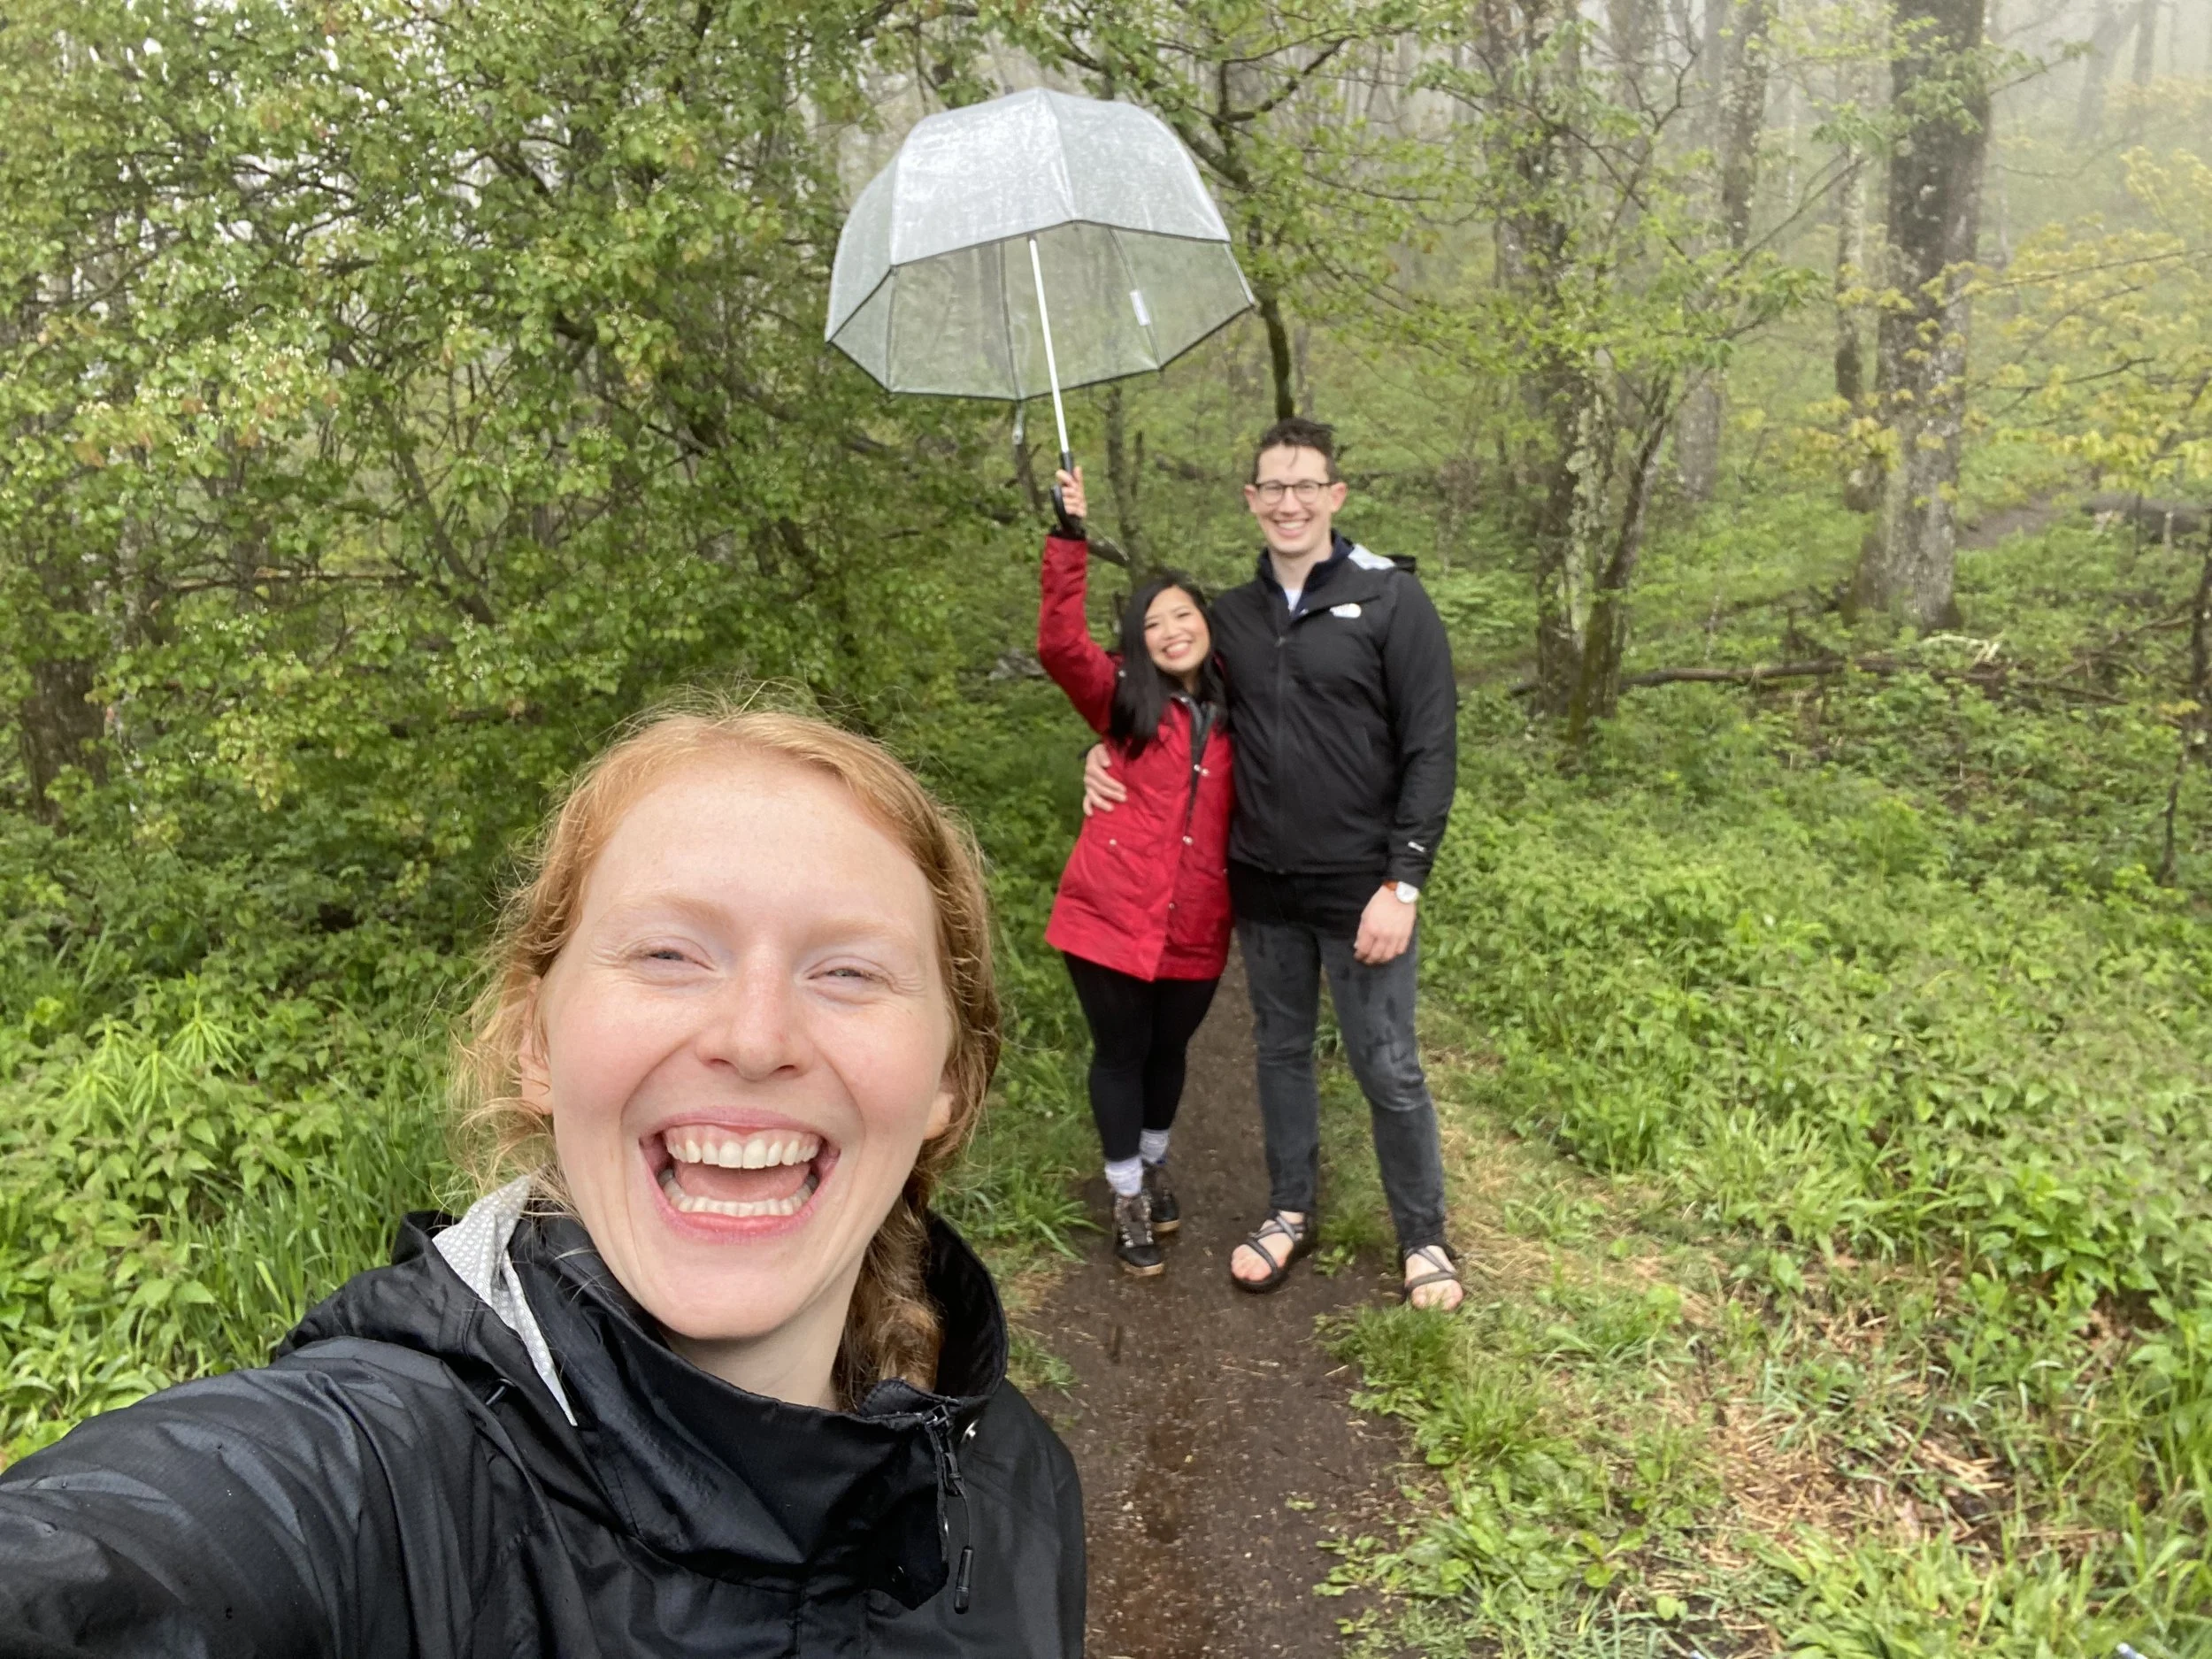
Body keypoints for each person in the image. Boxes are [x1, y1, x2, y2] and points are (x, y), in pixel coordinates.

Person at [0, 703, 1086, 1658]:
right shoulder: (380, 1474)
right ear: (536, 1045)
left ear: (949, 1075)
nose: (756, 1039)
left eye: (847, 971)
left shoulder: (1009, 1482)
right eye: (667, 953)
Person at [1086, 418, 1463, 1312]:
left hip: (1361, 886)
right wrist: (1100, 753)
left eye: (1307, 486)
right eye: (1273, 488)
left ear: (1334, 496)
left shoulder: (1390, 602)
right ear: (1252, 502)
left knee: (1387, 1065)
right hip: (1262, 887)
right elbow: (1158, 704)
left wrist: (1402, 883)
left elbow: (1432, 748)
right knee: (1279, 1052)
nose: (1289, 503)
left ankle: (1424, 1235)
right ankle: (1289, 1208)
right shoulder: (1232, 617)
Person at [1036, 467, 1233, 1279]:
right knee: (1121, 1052)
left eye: (1184, 613)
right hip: (1109, 915)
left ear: (1207, 624)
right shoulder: (1121, 696)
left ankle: (1154, 1163)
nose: (1172, 629)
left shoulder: (1239, 711)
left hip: (1197, 923)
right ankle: (1125, 1193)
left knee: (1170, 1051)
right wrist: (1069, 538)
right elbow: (1058, 644)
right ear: (1139, 638)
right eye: (1154, 622)